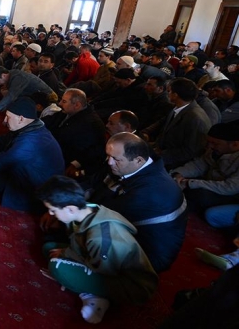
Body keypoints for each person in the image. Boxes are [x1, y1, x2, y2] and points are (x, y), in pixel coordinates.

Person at [38, 176, 158, 324]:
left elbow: (103, 269)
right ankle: (85, 285)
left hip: (129, 284)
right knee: (48, 248)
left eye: (52, 210)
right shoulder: (87, 209)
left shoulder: (100, 238)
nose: (50, 214)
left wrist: (66, 256)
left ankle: (96, 298)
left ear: (70, 209)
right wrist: (66, 253)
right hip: (100, 261)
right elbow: (80, 244)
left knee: (57, 267)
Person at [84, 132, 187, 272]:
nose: (109, 162)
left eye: (115, 159)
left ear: (138, 160)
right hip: (134, 235)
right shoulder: (136, 164)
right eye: (108, 156)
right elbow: (97, 184)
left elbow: (101, 215)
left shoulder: (148, 192)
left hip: (147, 259)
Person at [0, 97, 64, 212]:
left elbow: (4, 160)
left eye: (8, 117)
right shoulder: (33, 126)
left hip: (35, 190)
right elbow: (3, 140)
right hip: (30, 173)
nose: (5, 120)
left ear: (21, 119)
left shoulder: (31, 141)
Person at [169, 122, 239, 227]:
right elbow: (198, 165)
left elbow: (229, 188)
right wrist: (177, 174)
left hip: (231, 195)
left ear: (235, 144)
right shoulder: (215, 151)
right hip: (212, 185)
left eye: (215, 143)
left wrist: (190, 183)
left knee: (199, 195)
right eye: (209, 142)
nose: (209, 146)